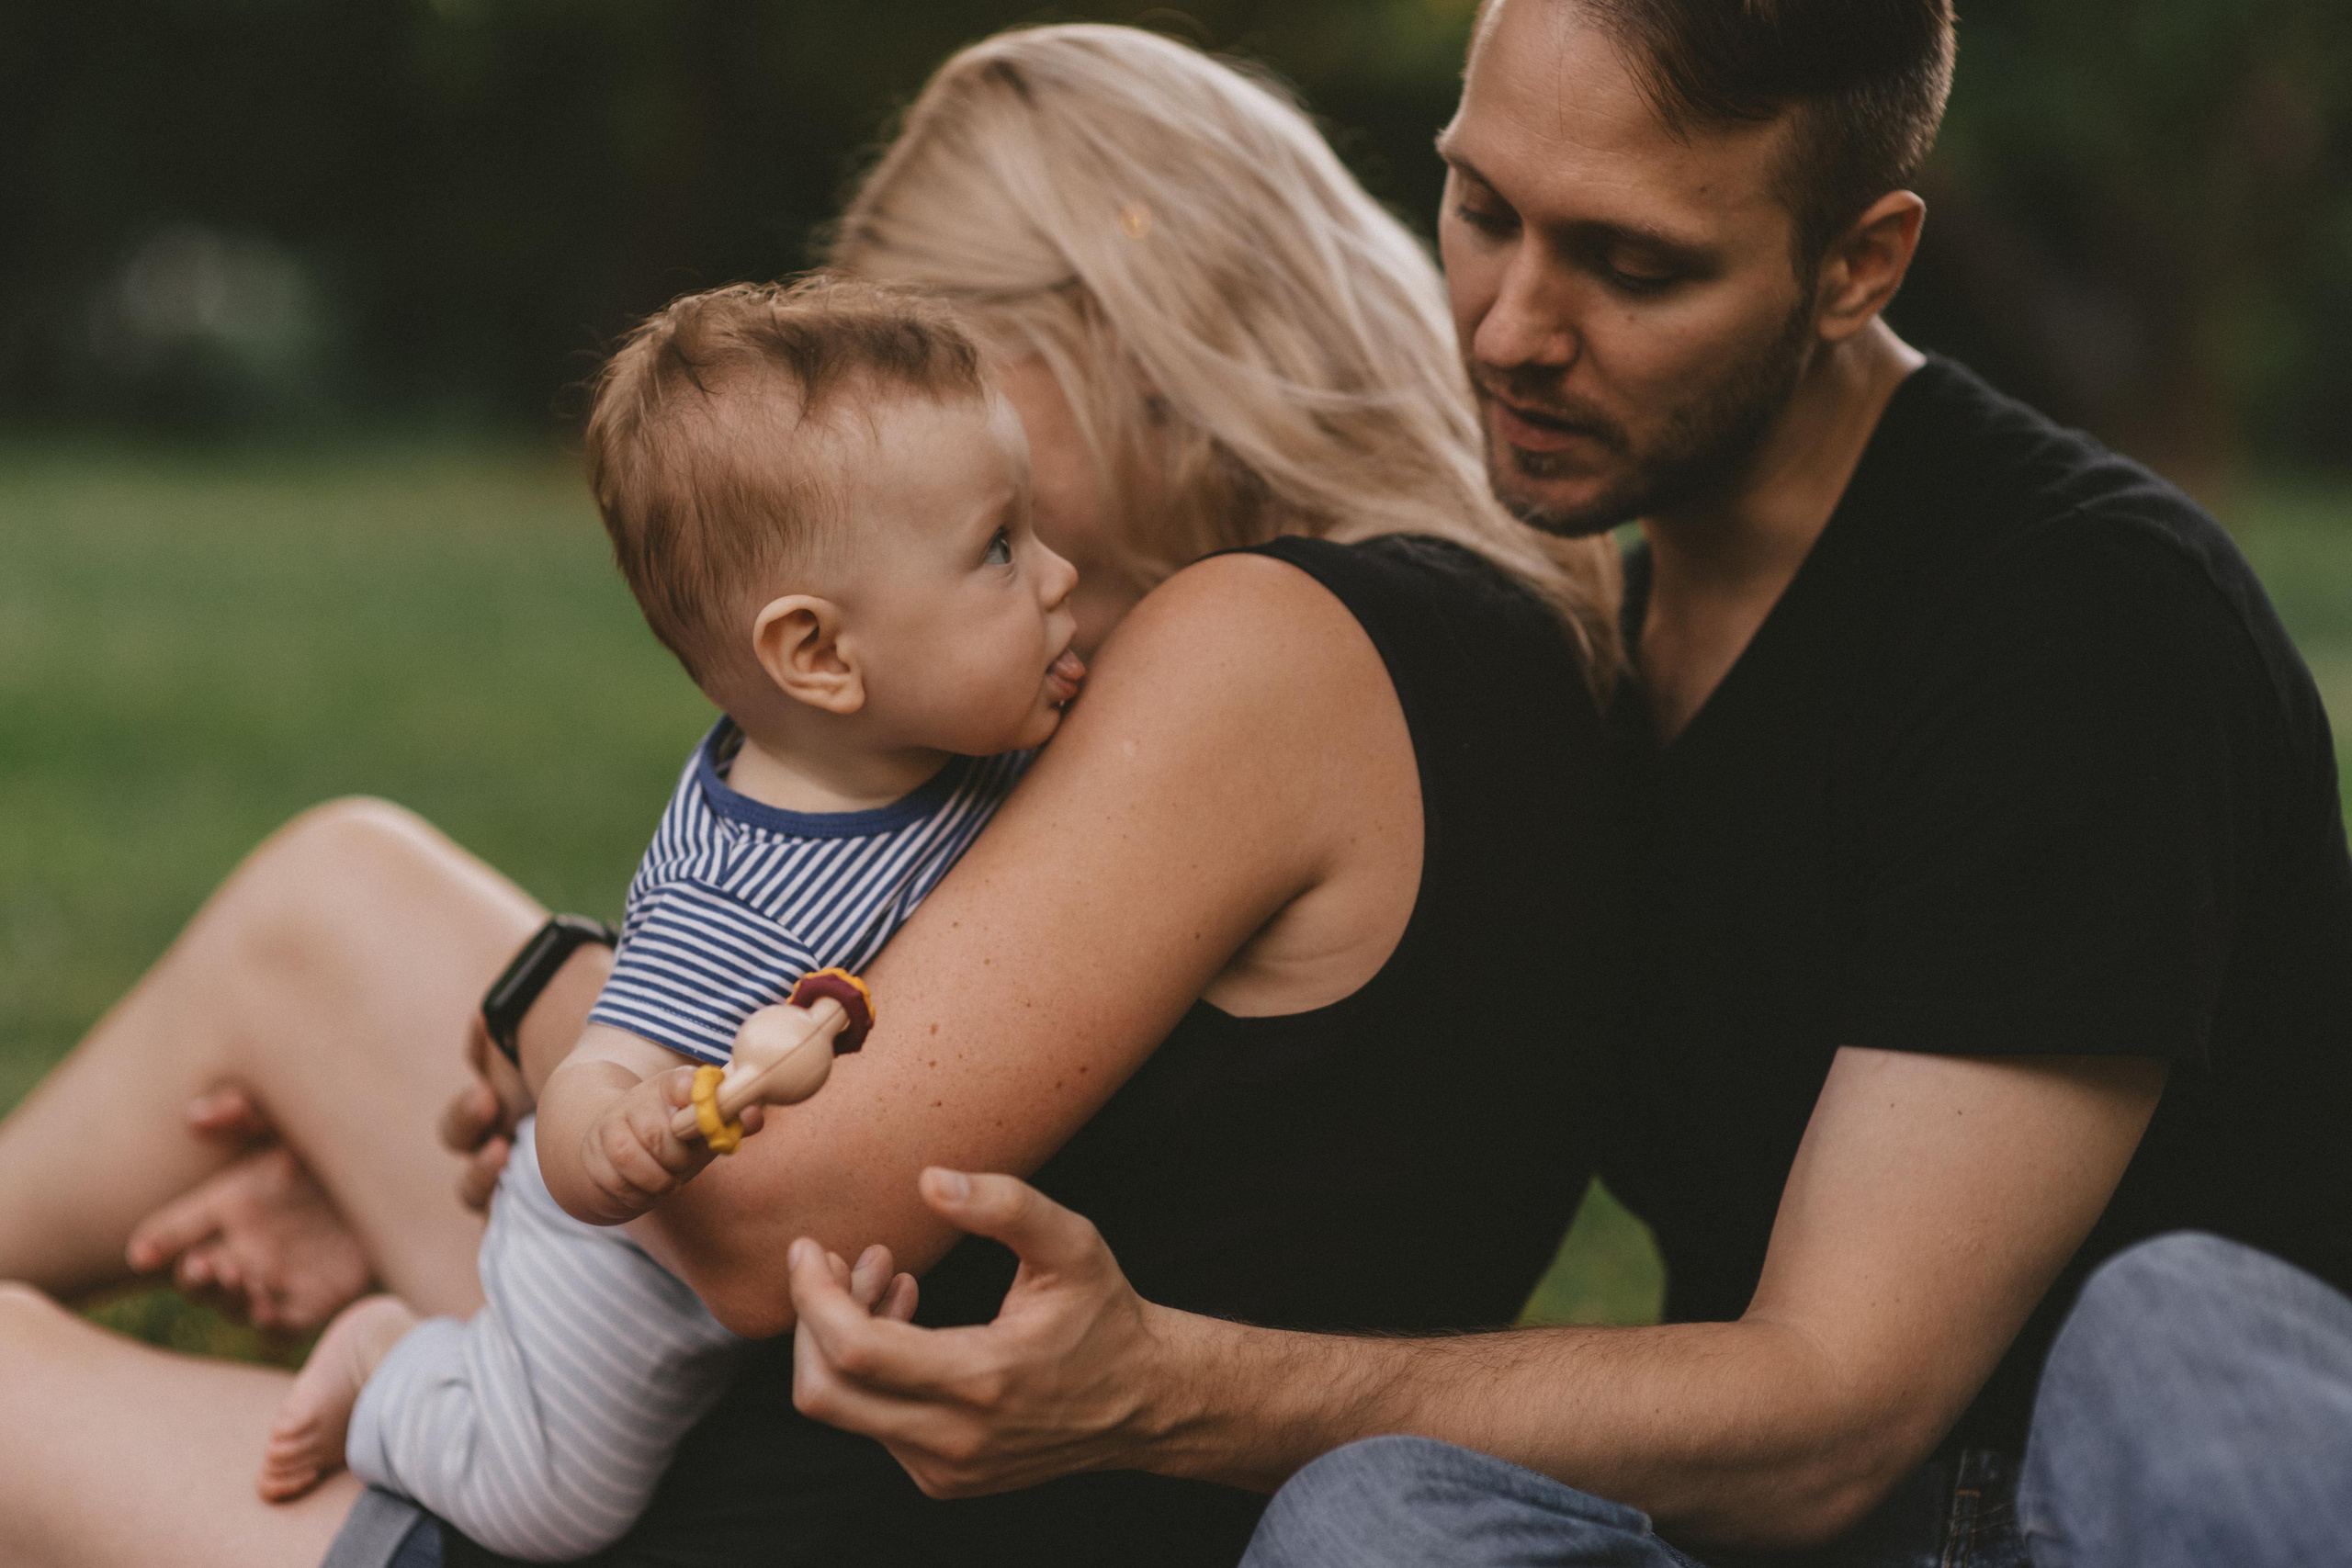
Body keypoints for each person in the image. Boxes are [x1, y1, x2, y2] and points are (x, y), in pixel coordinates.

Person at [0, 23, 1625, 1568]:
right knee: (330, 894)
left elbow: (759, 1221)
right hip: (732, 1409)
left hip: (733, 1515)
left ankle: (408, 1366)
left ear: (1112, 335)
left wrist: (541, 1016)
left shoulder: (1266, 645)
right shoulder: (1492, 640)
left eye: (936, 394)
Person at [779, 2, 2352, 1564]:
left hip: (2095, 1507)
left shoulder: (2076, 617)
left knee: (2171, 1328)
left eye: (1635, 266)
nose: (1510, 327)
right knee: (1376, 1528)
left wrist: (1166, 1390)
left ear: (1859, 264)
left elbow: (1837, 1412)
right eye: (1481, 209)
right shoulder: (1598, 635)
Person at [251, 276, 1086, 1559]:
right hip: (616, 1286)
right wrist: (628, 1138)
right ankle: (394, 1372)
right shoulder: (729, 894)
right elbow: (589, 1090)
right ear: (818, 656)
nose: (1059, 573)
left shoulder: (952, 732)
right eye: (999, 550)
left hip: (763, 1263)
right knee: (553, 1507)